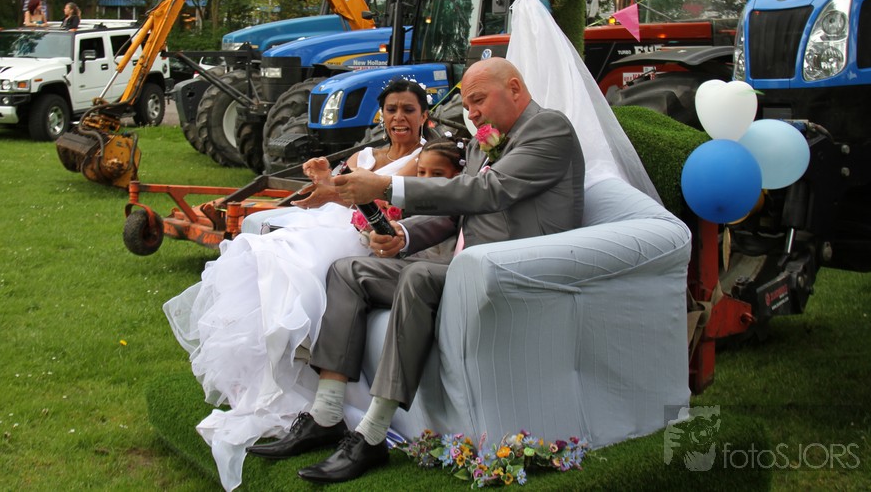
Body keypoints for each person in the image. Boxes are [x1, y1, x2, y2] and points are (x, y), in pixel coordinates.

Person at [246, 57, 587, 483]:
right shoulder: (482, 143)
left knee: (419, 275)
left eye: (478, 100)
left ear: (515, 89)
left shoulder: (549, 129)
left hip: (516, 269)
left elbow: (487, 191)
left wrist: (387, 186)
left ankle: (372, 434)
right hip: (463, 268)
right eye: (468, 104)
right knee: (348, 270)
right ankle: (326, 414)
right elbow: (456, 212)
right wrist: (403, 236)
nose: (472, 113)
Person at [163, 78, 431, 491]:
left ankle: (302, 376)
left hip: (368, 231)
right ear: (381, 115)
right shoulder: (363, 155)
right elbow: (336, 193)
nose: (399, 118)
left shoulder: (422, 158)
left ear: (424, 115)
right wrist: (323, 180)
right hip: (335, 221)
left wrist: (332, 189)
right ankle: (279, 380)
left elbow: (371, 196)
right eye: (392, 109)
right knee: (264, 251)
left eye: (408, 110)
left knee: (299, 259)